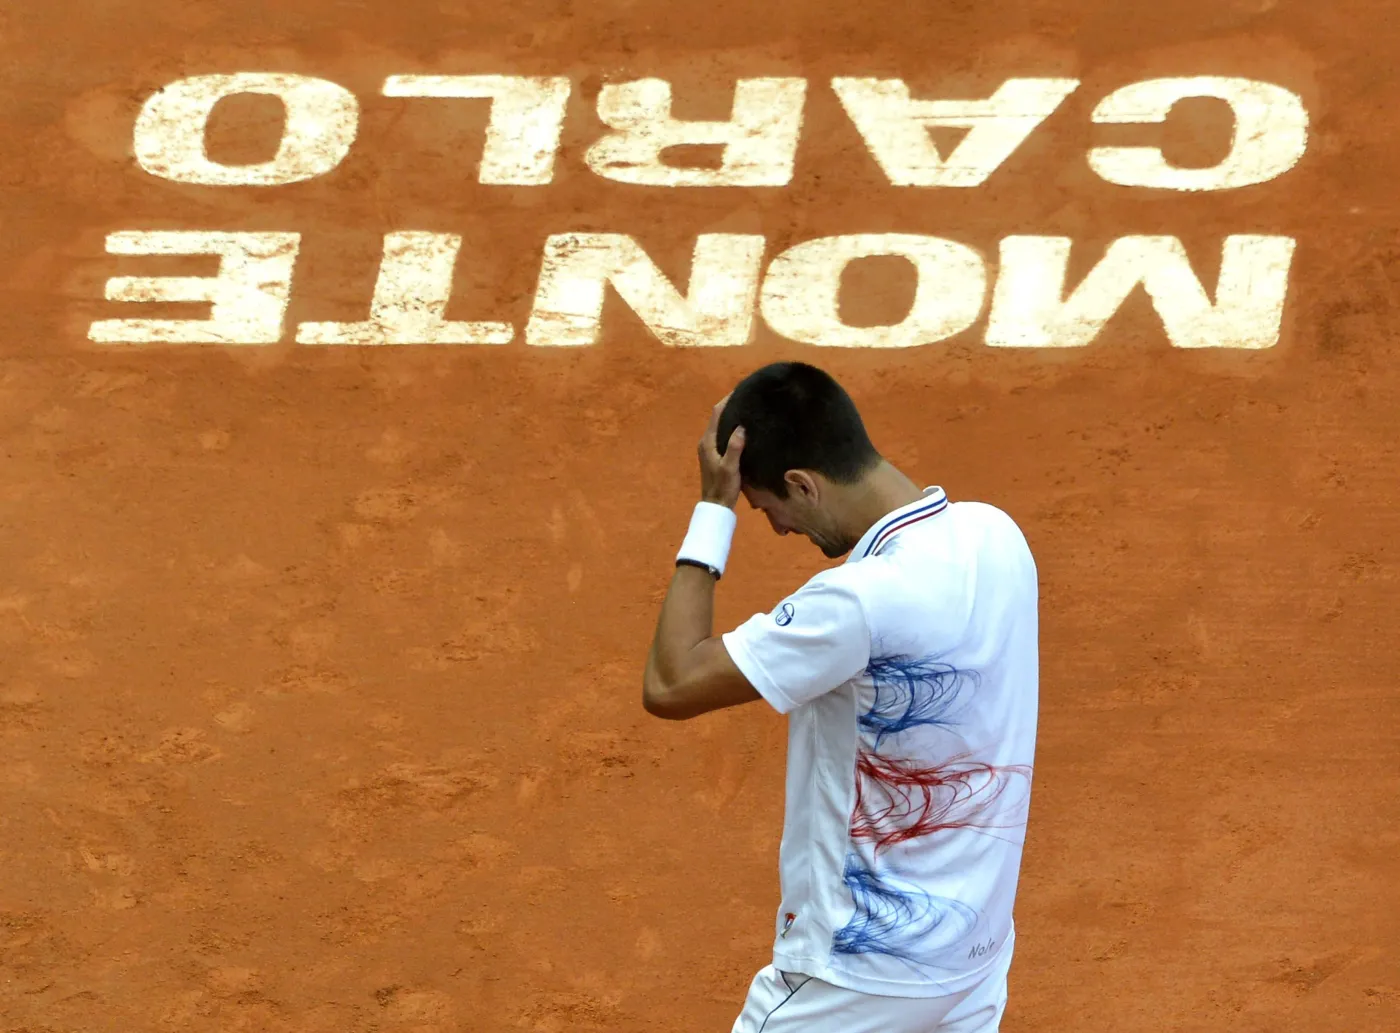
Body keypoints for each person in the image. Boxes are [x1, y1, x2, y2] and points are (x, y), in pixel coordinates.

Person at [642, 361, 1039, 1033]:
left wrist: (714, 508)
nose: (777, 527)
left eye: (770, 508)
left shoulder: (856, 602)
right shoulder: (999, 537)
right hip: (972, 963)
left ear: (803, 483)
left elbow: (672, 681)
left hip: (854, 978)